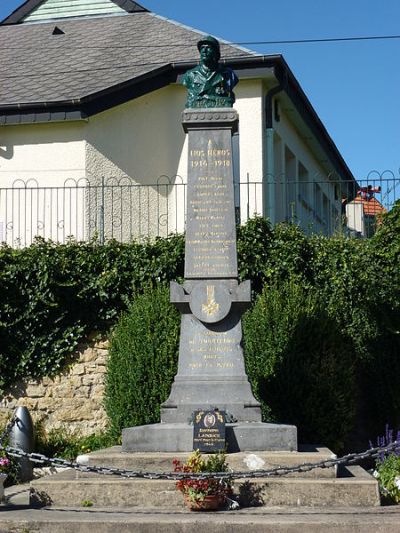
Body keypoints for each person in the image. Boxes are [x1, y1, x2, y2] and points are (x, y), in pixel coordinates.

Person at [182, 36, 238, 108]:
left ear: (216, 52)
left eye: (208, 48)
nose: (204, 51)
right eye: (202, 48)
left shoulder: (228, 74)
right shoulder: (190, 75)